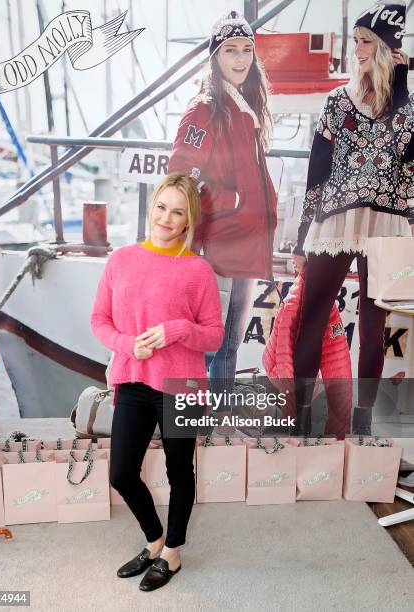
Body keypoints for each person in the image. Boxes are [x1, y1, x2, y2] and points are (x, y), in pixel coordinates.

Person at [90, 173, 224, 592]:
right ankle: (154, 541)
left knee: (179, 470)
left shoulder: (199, 270)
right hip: (132, 379)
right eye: (162, 207)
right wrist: (130, 345)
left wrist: (180, 330)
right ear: (152, 208)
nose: (166, 218)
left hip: (182, 385)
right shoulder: (122, 259)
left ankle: (174, 553)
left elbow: (214, 335)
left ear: (188, 222)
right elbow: (99, 321)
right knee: (122, 473)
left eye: (178, 212)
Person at [292, 2, 414, 435]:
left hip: (386, 223)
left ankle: (361, 423)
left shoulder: (407, 107)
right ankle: (299, 420)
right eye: (357, 40)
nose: (356, 49)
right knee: (312, 317)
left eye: (365, 41)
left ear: (384, 47)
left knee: (373, 323)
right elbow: (316, 171)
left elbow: (408, 162)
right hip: (336, 221)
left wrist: (400, 82)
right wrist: (301, 237)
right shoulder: (336, 101)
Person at [168, 10, 277, 410]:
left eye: (247, 50)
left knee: (230, 345)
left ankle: (219, 423)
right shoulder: (206, 107)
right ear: (215, 56)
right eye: (230, 49)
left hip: (246, 245)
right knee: (212, 346)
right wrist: (225, 206)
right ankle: (200, 424)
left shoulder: (244, 108)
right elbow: (180, 173)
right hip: (219, 244)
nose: (241, 58)